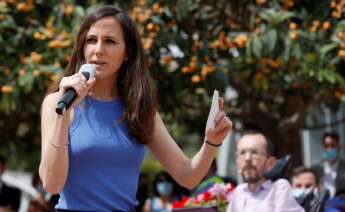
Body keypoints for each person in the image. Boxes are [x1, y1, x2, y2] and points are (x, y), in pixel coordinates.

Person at [39, 5, 232, 211]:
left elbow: (187, 176)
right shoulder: (57, 103)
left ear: (128, 52)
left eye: (110, 41)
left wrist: (211, 142)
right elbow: (52, 183)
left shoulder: (140, 109)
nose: (98, 49)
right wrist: (64, 113)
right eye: (91, 40)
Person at [227, 130, 304, 212]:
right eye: (242, 153)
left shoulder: (279, 188)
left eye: (254, 152)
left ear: (270, 163)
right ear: (237, 161)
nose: (247, 158)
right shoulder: (239, 191)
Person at [312, 132, 345, 197]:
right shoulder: (316, 168)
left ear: (339, 147)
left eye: (332, 146)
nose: (329, 149)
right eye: (326, 146)